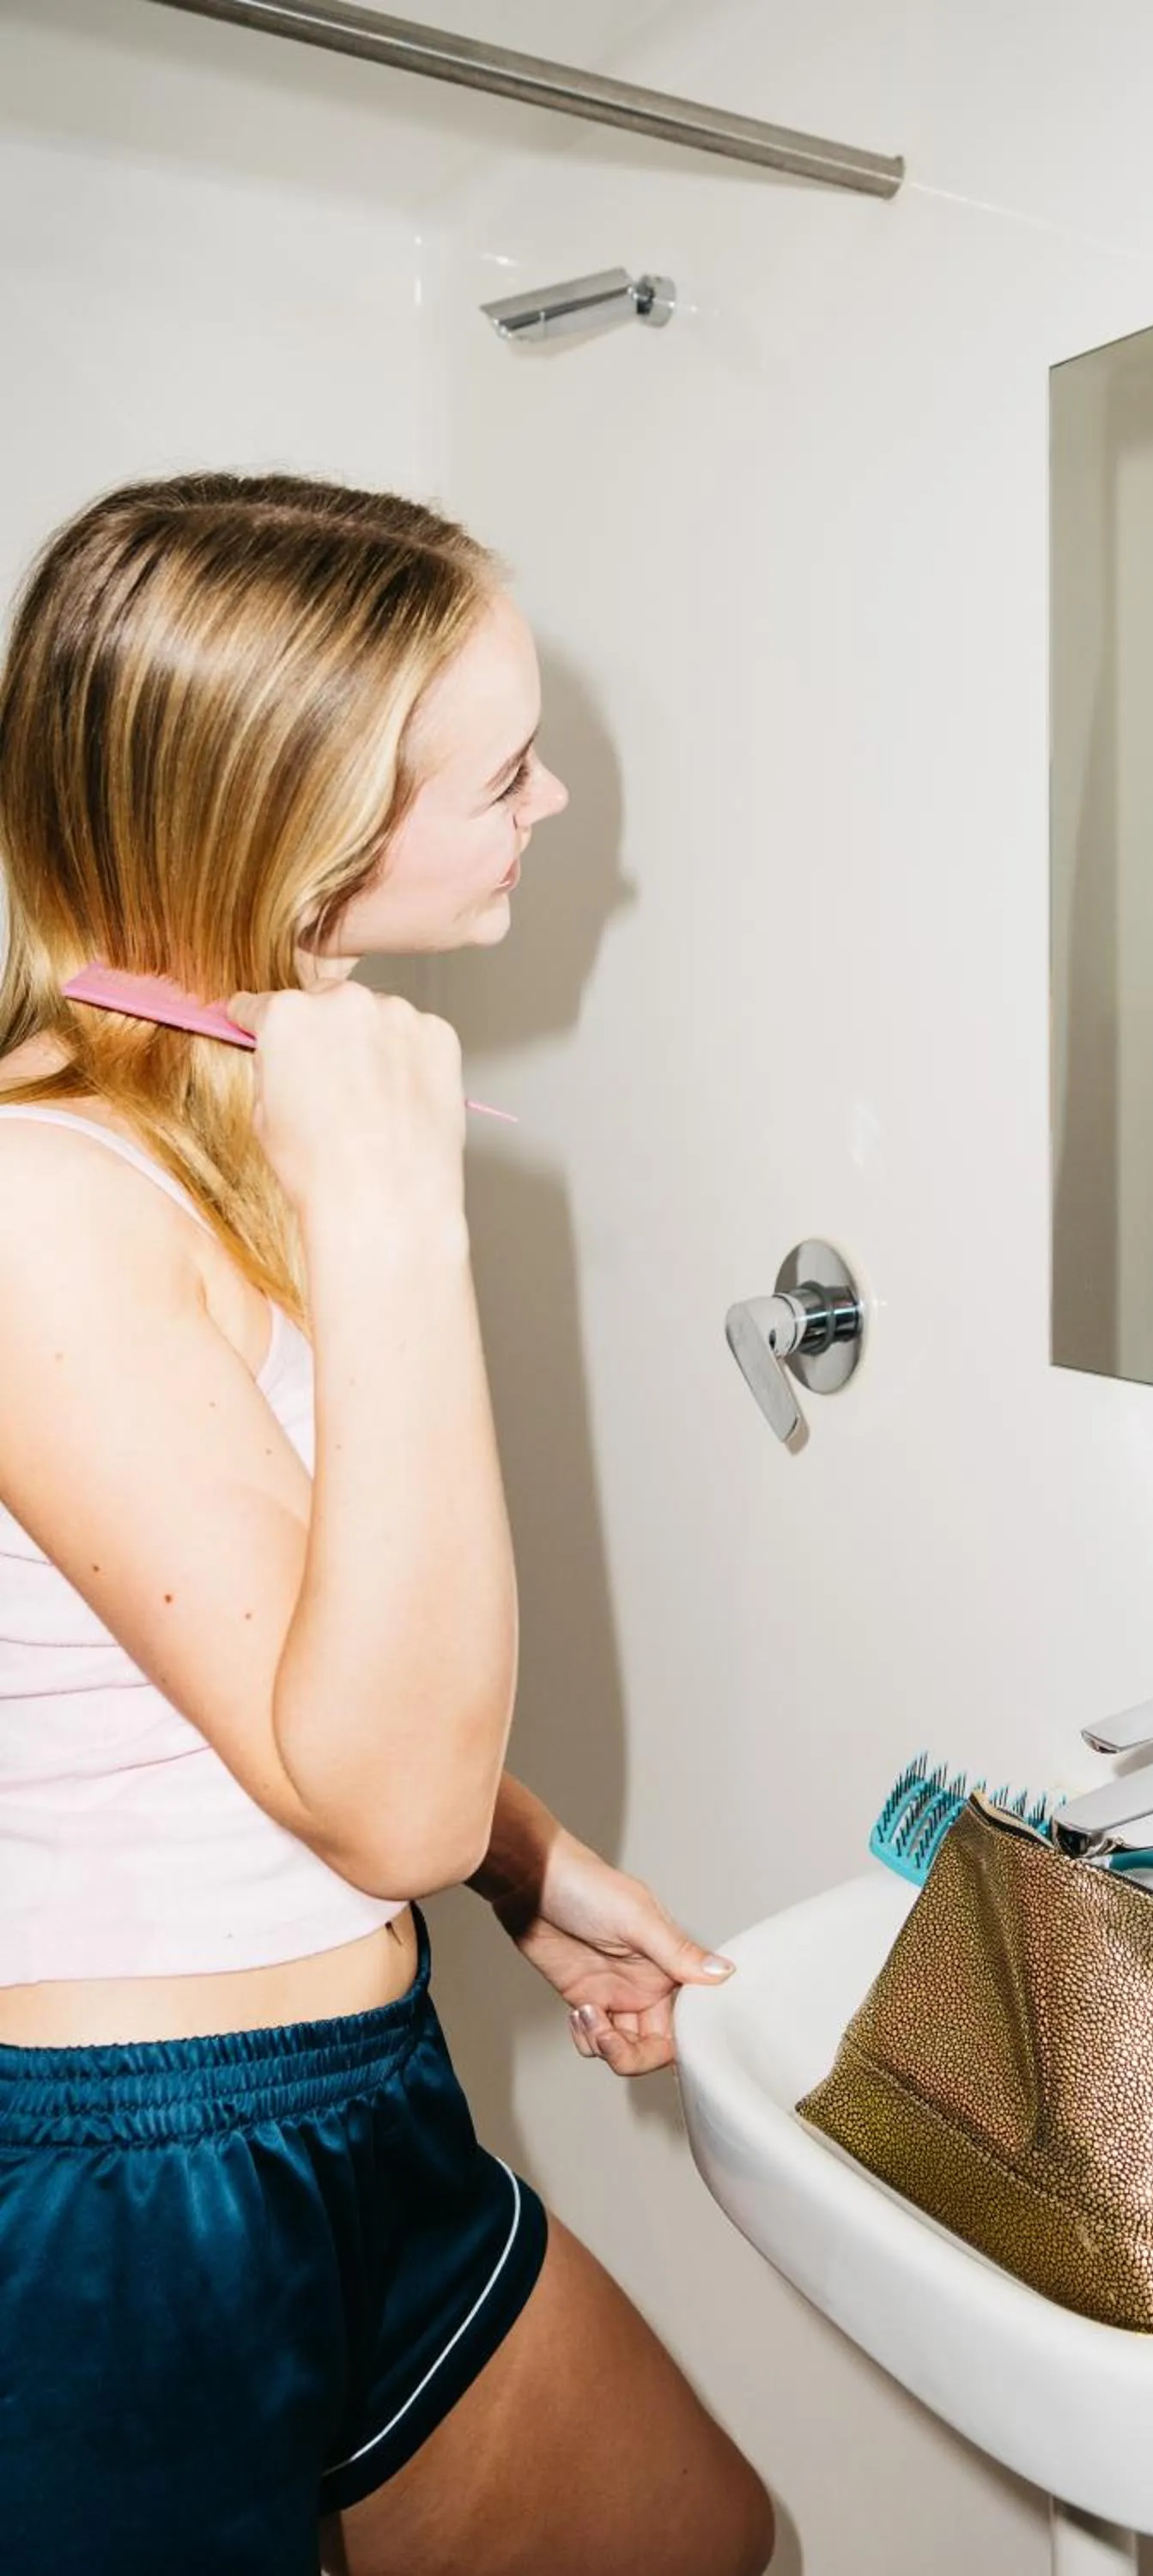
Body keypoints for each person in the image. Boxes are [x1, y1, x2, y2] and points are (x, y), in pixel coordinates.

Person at [0, 472, 777, 2576]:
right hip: (120, 2186)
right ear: (301, 823)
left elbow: (279, 1661)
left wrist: (524, 1859)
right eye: (501, 770)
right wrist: (393, 1205)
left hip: (359, 2080)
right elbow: (380, 1801)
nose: (549, 801)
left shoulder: (203, 1130)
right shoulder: (43, 1194)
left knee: (698, 2534)